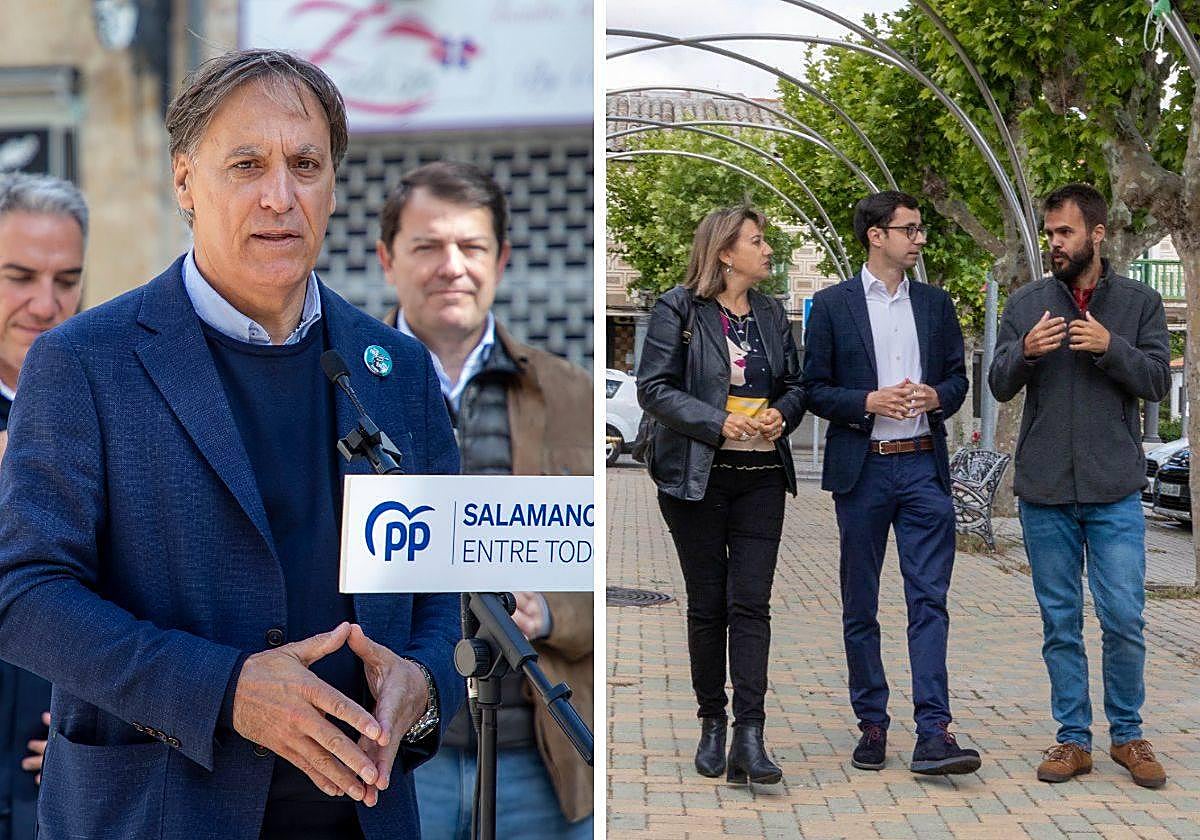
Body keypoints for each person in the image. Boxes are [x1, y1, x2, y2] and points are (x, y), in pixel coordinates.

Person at [0, 50, 463, 840]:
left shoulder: (398, 370)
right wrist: (225, 690)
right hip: (158, 811)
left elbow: (439, 590)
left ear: (334, 183)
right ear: (185, 181)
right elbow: (26, 594)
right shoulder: (83, 361)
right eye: (247, 164)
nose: (279, 196)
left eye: (305, 164)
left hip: (362, 816)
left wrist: (422, 681)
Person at [376, 161, 593, 837]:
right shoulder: (338, 391)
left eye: (470, 247)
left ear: (499, 259)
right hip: (393, 761)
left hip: (541, 764)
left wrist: (553, 610)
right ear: (387, 260)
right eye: (426, 246)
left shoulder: (570, 396)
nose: (451, 267)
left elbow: (610, 572)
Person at [988, 183, 1171, 788]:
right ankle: (1072, 739)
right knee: (1060, 621)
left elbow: (1155, 384)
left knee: (1123, 616)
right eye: (1049, 234)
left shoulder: (1140, 302)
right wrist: (1026, 351)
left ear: (1096, 234)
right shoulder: (1027, 303)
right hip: (1044, 491)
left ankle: (1128, 734)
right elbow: (997, 383)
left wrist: (1110, 346)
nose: (1054, 244)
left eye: (1065, 233)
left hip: (1114, 487)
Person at [803, 190, 977, 776]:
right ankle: (871, 723)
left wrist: (937, 397)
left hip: (924, 466)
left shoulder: (935, 304)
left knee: (930, 599)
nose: (919, 238)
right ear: (877, 235)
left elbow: (957, 379)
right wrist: (866, 401)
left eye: (920, 229)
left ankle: (935, 731)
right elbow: (814, 388)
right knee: (861, 601)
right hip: (864, 469)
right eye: (910, 229)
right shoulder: (831, 306)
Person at [636, 205, 804, 785]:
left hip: (761, 478)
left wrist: (782, 413)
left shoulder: (772, 313)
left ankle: (749, 736)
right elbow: (653, 389)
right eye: (757, 241)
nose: (767, 251)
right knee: (708, 604)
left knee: (750, 603)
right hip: (695, 479)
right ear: (725, 252)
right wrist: (716, 422)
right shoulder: (678, 307)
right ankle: (712, 720)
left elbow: (795, 384)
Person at [0, 172, 87, 840]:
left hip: (64, 783)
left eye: (66, 280)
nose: (44, 303)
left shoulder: (116, 409)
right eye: (19, 276)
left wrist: (106, 708)